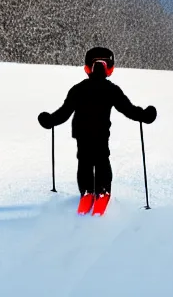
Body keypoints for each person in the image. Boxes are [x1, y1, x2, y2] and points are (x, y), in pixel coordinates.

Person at [37, 47, 157, 215]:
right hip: (100, 133)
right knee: (101, 160)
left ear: (88, 68)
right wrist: (145, 115)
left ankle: (86, 191)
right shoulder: (111, 89)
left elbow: (63, 113)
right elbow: (128, 109)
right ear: (109, 68)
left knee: (84, 160)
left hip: (82, 133)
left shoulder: (78, 89)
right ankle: (102, 191)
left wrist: (49, 120)